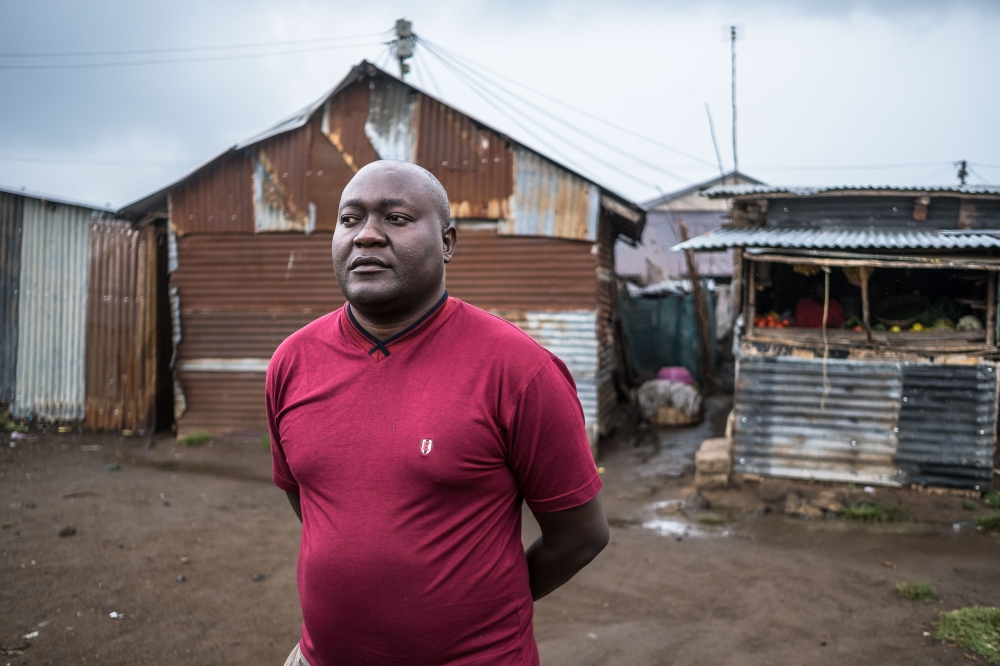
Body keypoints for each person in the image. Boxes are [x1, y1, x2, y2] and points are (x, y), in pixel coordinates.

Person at [266, 160, 609, 666]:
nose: (367, 237)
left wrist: (479, 607)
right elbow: (312, 504)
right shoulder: (292, 362)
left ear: (447, 242)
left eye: (396, 219)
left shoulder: (519, 370)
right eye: (350, 219)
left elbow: (580, 536)